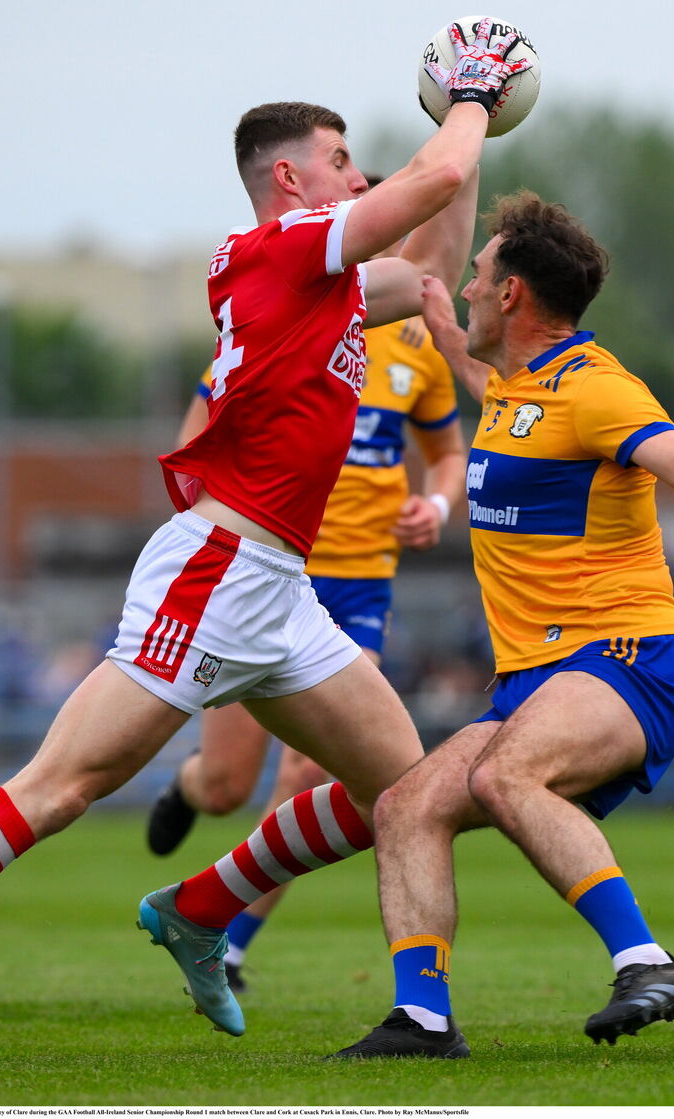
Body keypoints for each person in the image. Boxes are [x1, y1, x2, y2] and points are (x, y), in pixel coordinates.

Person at [0, 22, 531, 1063]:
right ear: (289, 178)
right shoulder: (282, 246)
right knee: (60, 789)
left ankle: (203, 907)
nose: (355, 171)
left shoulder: (316, 278)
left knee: (406, 790)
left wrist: (463, 147)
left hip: (279, 585)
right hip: (215, 567)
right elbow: (422, 195)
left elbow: (428, 262)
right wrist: (472, 94)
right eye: (340, 159)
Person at [331, 191, 674, 1059]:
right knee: (405, 806)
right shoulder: (517, 388)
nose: (471, 288)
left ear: (514, 293)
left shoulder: (595, 387)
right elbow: (482, 376)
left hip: (626, 658)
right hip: (539, 678)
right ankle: (423, 1019)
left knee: (506, 777)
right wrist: (441, 311)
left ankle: (647, 960)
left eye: (480, 277)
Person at [146, 297, 466, 991]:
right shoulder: (285, 319)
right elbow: (194, 440)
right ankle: (188, 782)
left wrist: (436, 505)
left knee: (309, 771)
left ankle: (225, 942)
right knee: (227, 784)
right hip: (264, 574)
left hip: (356, 591)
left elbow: (448, 456)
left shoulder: (418, 345)